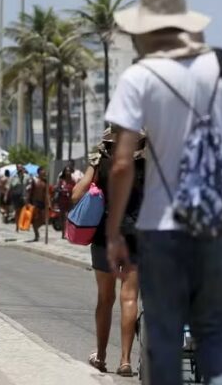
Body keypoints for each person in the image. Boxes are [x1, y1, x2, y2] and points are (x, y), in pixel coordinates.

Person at [103, 0, 222, 385]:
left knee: (164, 338)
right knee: (213, 334)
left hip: (163, 228)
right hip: (220, 224)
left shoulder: (139, 77)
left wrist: (114, 232)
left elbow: (121, 163)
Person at [75, 128, 145, 377]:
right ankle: (125, 361)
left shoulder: (101, 162)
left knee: (105, 299)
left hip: (106, 236)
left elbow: (77, 193)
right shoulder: (149, 163)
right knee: (130, 299)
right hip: (137, 237)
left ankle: (101, 356)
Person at [26, 167, 48, 242]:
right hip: (35, 202)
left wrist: (48, 202)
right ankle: (36, 234)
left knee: (44, 219)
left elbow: (47, 193)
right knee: (35, 219)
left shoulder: (45, 181)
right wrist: (28, 201)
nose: (44, 172)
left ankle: (36, 228)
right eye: (43, 171)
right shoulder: (34, 180)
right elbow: (29, 191)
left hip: (42, 202)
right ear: (39, 172)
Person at [55, 166, 76, 239]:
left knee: (68, 217)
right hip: (62, 201)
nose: (68, 172)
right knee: (62, 217)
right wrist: (62, 190)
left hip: (70, 201)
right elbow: (57, 188)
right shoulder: (61, 180)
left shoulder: (73, 181)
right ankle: (63, 233)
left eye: (69, 171)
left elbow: (75, 190)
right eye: (66, 171)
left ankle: (67, 233)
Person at [9, 165, 30, 231]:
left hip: (24, 196)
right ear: (17, 169)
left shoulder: (27, 177)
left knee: (25, 211)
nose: (20, 169)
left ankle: (24, 225)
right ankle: (17, 226)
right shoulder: (14, 177)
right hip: (16, 196)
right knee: (17, 211)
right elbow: (11, 186)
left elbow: (30, 185)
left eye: (21, 167)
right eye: (19, 168)